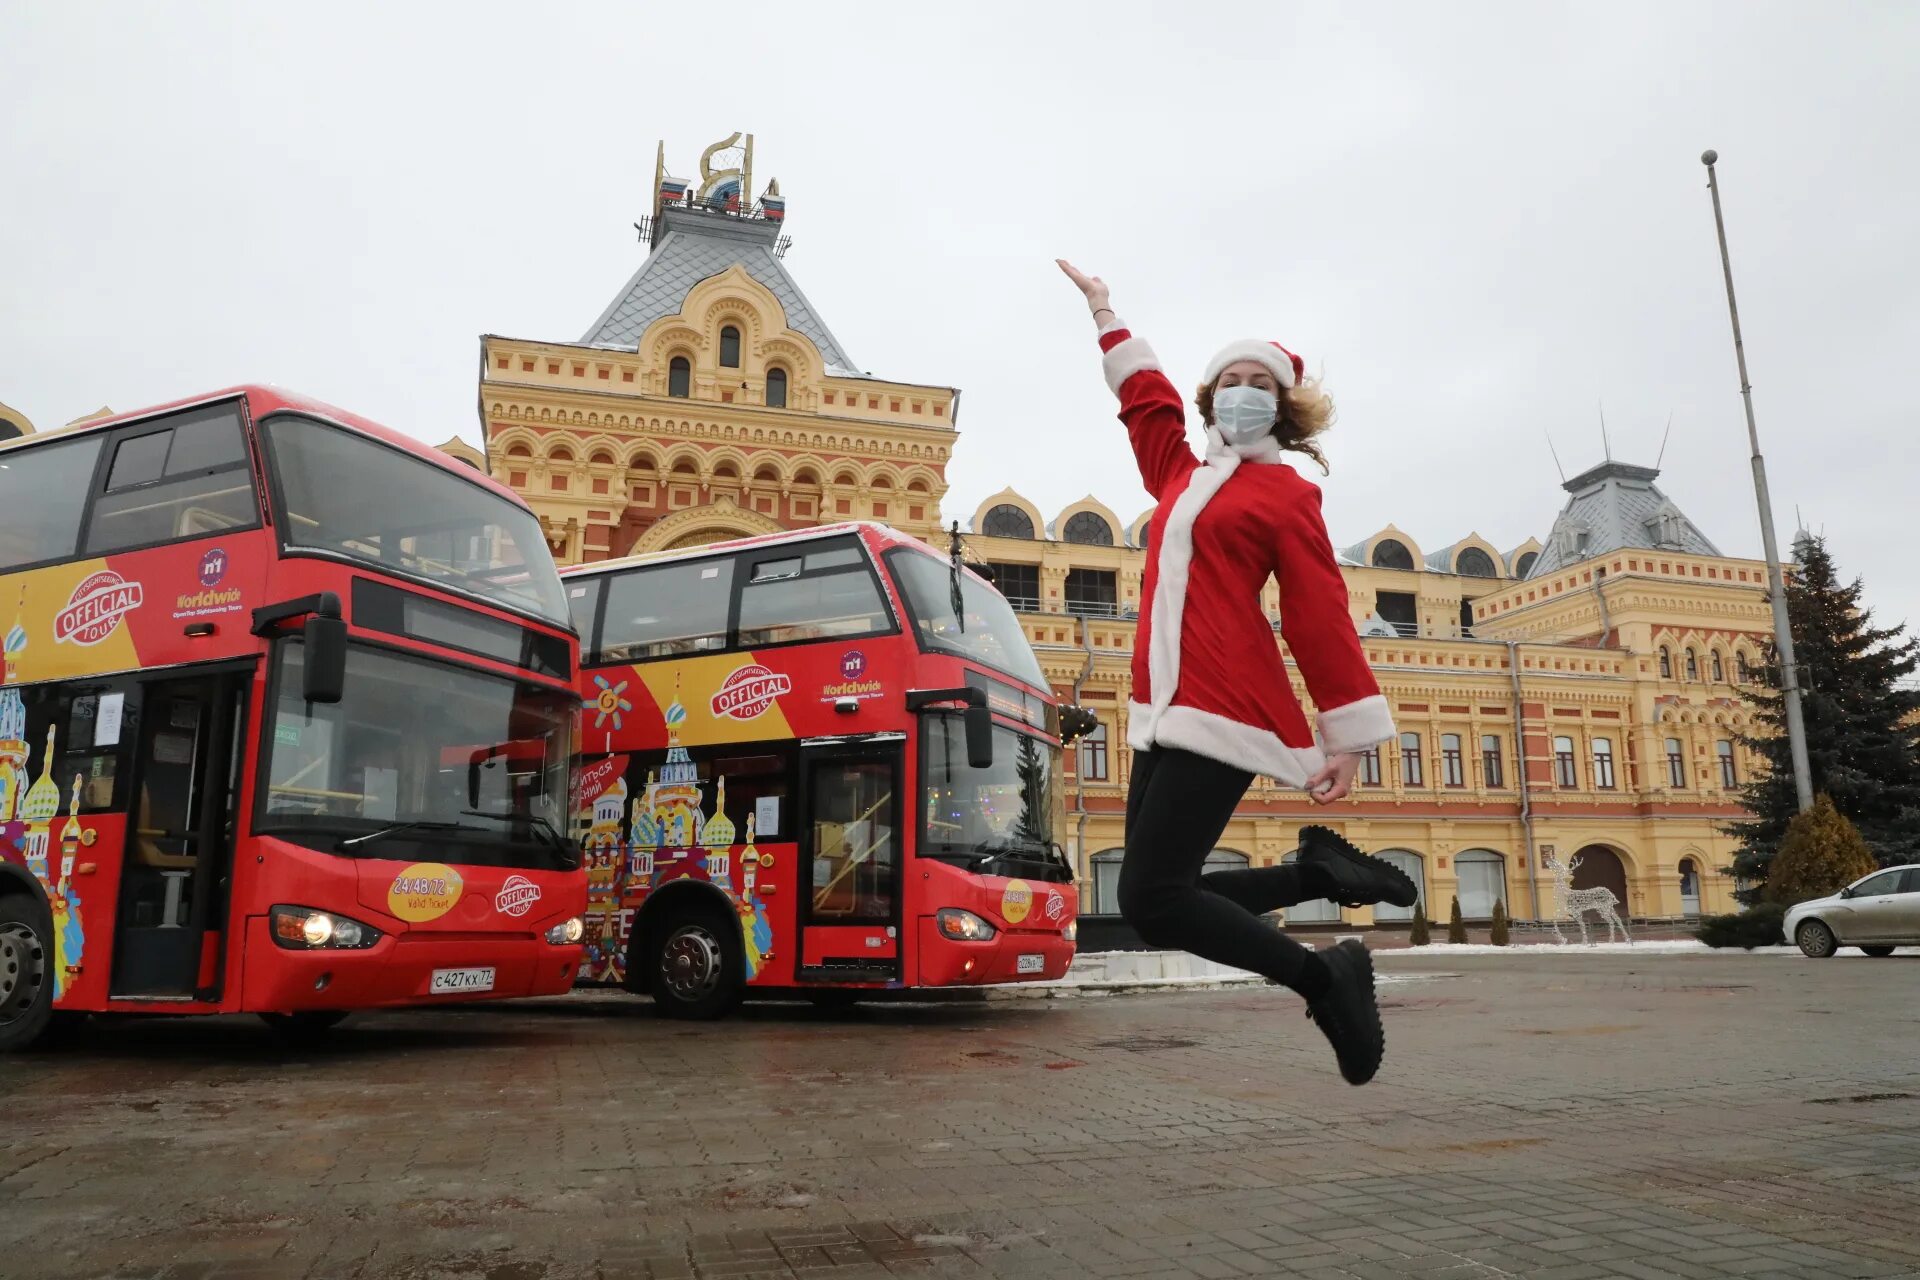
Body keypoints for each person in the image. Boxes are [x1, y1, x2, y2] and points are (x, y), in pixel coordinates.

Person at [1057, 260, 1418, 1085]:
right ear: (1212, 394)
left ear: (1281, 406)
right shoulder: (1182, 476)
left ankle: (1327, 979)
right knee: (1163, 896)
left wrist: (1348, 737)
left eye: (1261, 381)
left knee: (1151, 901)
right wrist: (1106, 312)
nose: (1243, 390)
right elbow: (1144, 402)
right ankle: (1319, 874)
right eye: (1231, 379)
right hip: (1159, 708)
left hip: (1226, 704)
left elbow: (1320, 612)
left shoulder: (1286, 495)